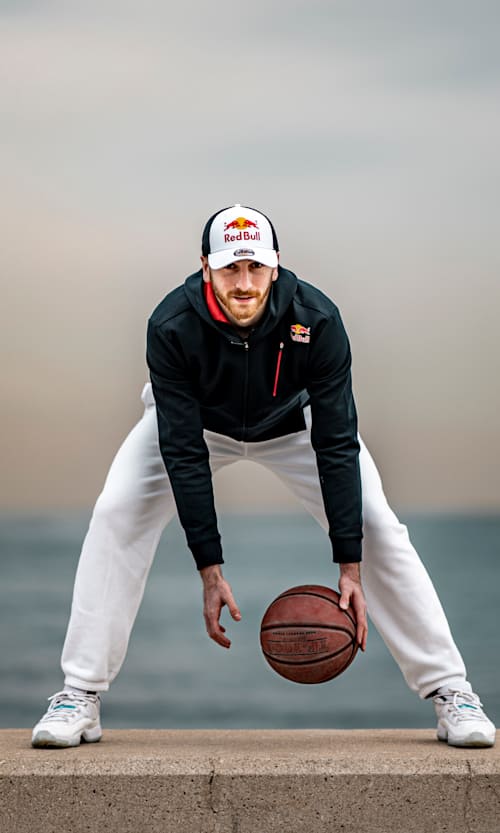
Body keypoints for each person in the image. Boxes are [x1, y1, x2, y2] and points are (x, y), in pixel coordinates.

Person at [32, 204, 495, 749]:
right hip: (196, 427)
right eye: (230, 269)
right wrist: (210, 567)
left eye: (255, 268)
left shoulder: (316, 320)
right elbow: (182, 452)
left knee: (378, 526)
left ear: (276, 267)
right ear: (205, 267)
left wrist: (349, 562)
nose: (244, 283)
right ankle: (80, 694)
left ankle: (451, 692)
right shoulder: (171, 325)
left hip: (293, 426)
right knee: (115, 515)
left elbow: (337, 439)